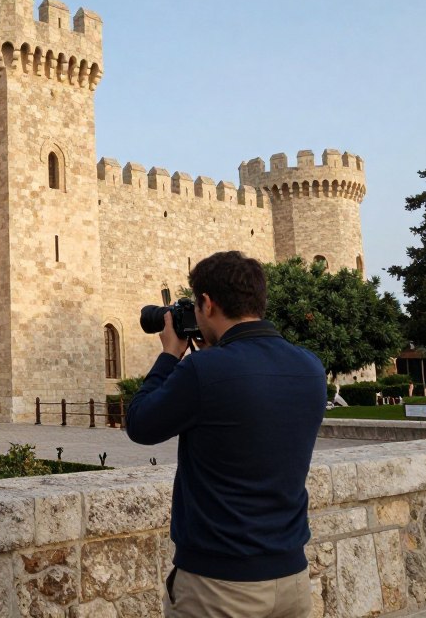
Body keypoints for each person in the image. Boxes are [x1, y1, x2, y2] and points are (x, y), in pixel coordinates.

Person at [126, 251, 325, 618]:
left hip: (219, 585)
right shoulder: (310, 367)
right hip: (292, 579)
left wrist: (171, 355)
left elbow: (140, 424)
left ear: (206, 303)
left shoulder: (204, 371)